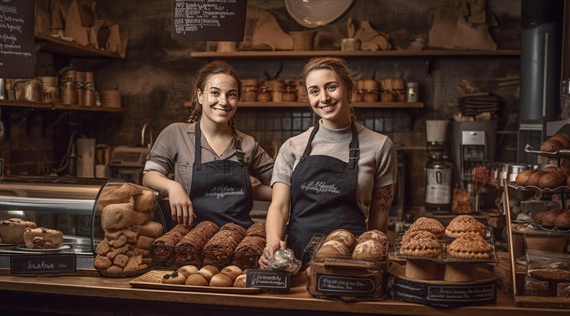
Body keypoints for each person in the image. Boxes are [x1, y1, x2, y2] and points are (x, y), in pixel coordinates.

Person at [259, 57, 397, 269]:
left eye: (331, 87)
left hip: (351, 263)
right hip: (295, 260)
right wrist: (272, 243)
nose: (324, 98)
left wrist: (373, 262)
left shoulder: (380, 146)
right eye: (314, 91)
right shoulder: (292, 147)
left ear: (348, 89)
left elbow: (380, 217)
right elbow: (279, 206)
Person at [143, 60, 274, 228]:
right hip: (188, 239)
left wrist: (251, 189)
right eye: (215, 93)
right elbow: (149, 175)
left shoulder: (247, 143)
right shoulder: (176, 134)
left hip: (237, 238)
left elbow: (279, 184)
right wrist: (172, 186)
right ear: (199, 95)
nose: (224, 101)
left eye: (231, 95)